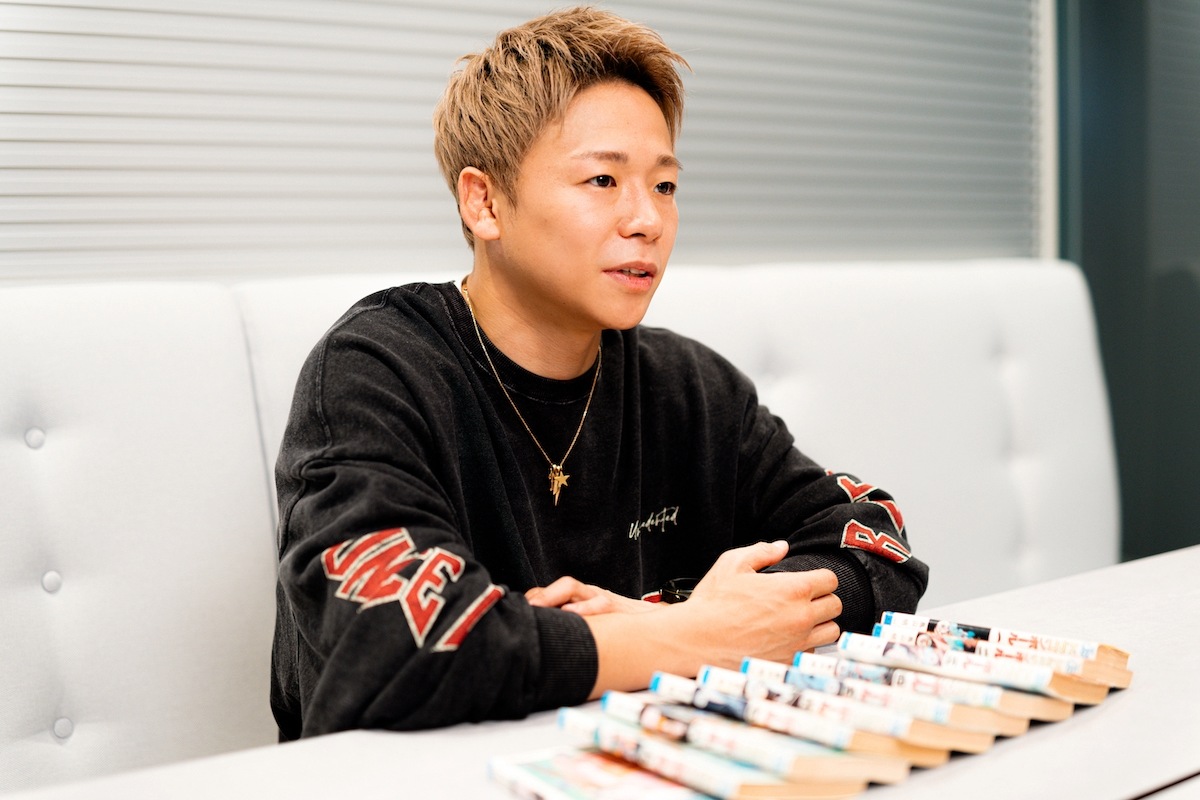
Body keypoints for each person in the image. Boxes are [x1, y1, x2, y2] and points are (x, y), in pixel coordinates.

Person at [269, 6, 928, 740]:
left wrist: (679, 624)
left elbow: (877, 546)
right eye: (603, 179)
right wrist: (691, 638)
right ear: (484, 202)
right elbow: (390, 646)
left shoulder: (690, 387)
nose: (647, 219)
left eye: (665, 186)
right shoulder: (377, 371)